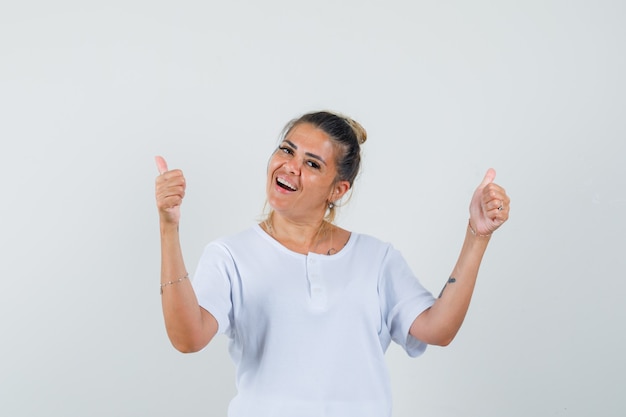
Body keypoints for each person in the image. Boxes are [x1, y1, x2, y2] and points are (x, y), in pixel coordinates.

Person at [154, 110, 510, 417]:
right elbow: (188, 338)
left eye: (312, 163)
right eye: (287, 150)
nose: (290, 167)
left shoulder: (376, 259)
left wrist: (477, 236)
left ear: (338, 190)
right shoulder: (230, 255)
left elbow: (439, 329)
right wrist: (169, 228)